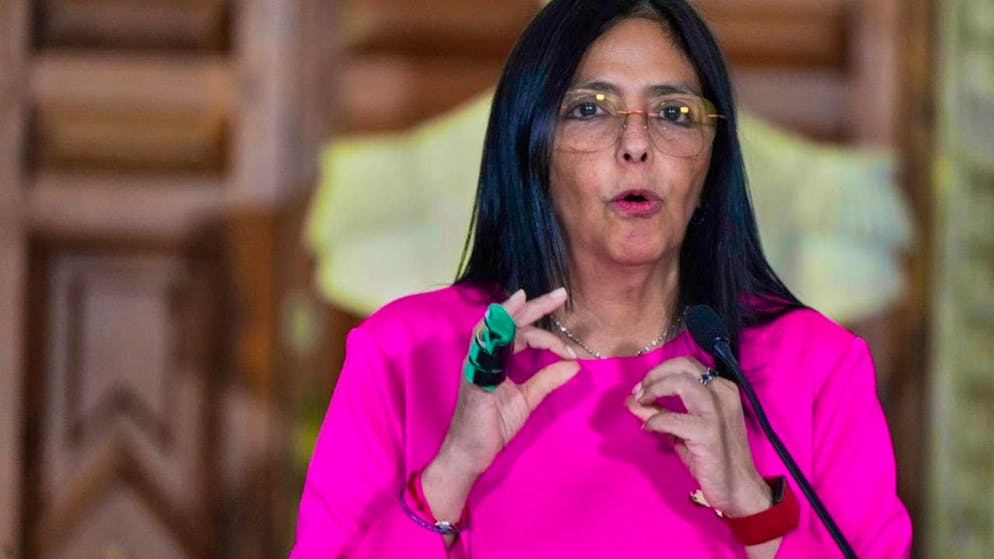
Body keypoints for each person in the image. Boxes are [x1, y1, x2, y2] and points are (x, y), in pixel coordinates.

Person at [290, 1, 912, 557]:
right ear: (530, 147)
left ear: (713, 162)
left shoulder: (817, 367)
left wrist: (753, 505)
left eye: (674, 113)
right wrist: (448, 474)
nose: (636, 143)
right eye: (590, 109)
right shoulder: (403, 354)